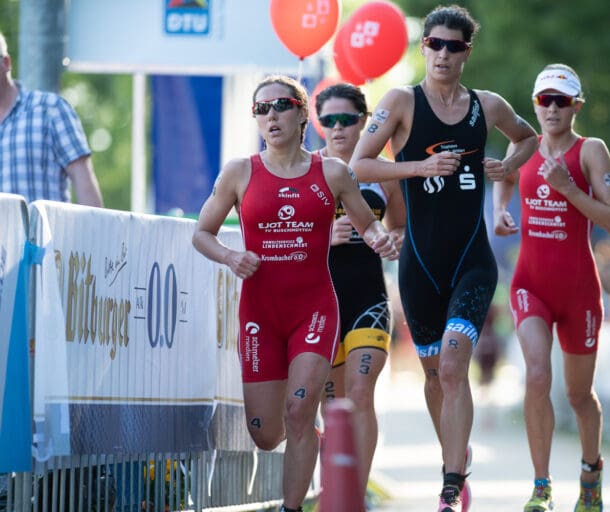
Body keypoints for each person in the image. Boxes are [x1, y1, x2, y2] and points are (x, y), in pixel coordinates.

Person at [349, 5, 538, 511]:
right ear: (423, 47)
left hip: (471, 259)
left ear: (466, 52)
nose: (443, 54)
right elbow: (357, 164)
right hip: (420, 263)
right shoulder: (401, 102)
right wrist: (421, 167)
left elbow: (528, 138)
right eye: (434, 44)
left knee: (455, 365)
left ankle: (451, 487)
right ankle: (456, 455)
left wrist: (506, 168)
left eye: (453, 46)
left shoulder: (487, 105)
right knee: (435, 374)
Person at [192, 75, 399, 512]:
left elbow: (367, 222)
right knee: (266, 434)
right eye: (261, 109)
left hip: (314, 308)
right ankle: (311, 440)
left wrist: (380, 237)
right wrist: (231, 257)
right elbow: (202, 234)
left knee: (300, 411)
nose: (271, 116)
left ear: (303, 114)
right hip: (260, 312)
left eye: (280, 106)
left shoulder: (333, 172)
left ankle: (294, 505)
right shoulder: (239, 171)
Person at [493, 63, 610, 512]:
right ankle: (541, 486)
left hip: (579, 291)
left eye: (561, 100)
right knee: (536, 375)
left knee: (578, 395)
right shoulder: (525, 146)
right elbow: (506, 175)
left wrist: (568, 189)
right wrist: (500, 211)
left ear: (575, 106)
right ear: (534, 104)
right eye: (544, 100)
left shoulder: (591, 151)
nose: (551, 108)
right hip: (530, 283)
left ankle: (590, 473)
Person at [314, 82, 406, 500]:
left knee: (361, 391)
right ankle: (335, 489)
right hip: (321, 300)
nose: (337, 129)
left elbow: (403, 227)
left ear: (364, 121)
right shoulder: (306, 170)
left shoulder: (381, 172)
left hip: (368, 296)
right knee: (332, 406)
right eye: (327, 120)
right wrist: (322, 236)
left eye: (346, 120)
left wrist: (392, 238)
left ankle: (355, 495)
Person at [0, 31, 102, 206]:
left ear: (6, 63)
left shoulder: (50, 110)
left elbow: (83, 180)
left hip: (47, 235)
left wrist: (96, 232)